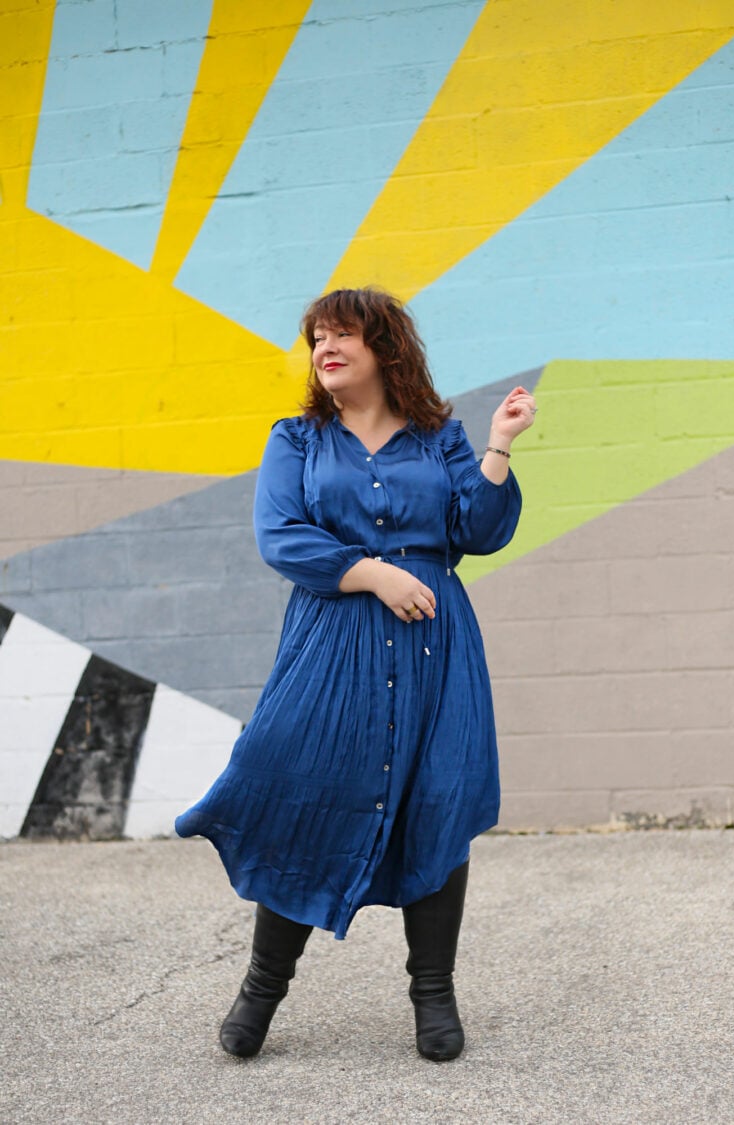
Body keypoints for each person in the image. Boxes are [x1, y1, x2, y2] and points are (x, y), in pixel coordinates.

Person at [175, 287, 536, 1062]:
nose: (325, 348)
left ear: (386, 347)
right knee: (303, 795)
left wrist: (500, 444)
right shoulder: (298, 439)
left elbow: (478, 528)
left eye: (343, 334)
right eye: (317, 338)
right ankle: (261, 988)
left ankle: (433, 994)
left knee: (437, 801)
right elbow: (280, 535)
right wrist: (372, 573)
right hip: (332, 640)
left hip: (435, 648)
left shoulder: (440, 437)